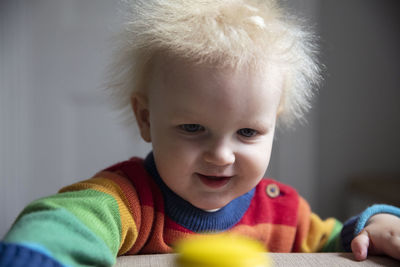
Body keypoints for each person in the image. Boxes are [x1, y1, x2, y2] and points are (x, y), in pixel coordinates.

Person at [1, 0, 400, 266]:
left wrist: (376, 223)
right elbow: (61, 224)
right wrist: (39, 255)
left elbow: (338, 241)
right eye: (193, 128)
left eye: (248, 132)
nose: (222, 155)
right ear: (145, 118)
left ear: (274, 124)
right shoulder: (126, 202)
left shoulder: (283, 212)